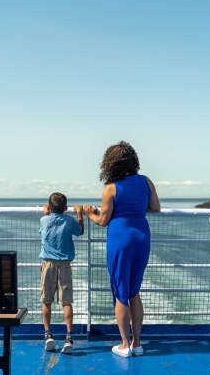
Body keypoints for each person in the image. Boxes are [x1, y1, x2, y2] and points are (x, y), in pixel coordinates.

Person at [84, 141, 160, 358]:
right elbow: (155, 207)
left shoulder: (111, 188)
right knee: (135, 291)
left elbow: (103, 220)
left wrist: (90, 213)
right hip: (142, 237)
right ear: (133, 160)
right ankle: (137, 343)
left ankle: (125, 345)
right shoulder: (146, 181)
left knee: (121, 292)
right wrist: (136, 207)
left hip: (120, 240)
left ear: (110, 164)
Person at [39, 192, 84, 354]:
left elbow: (44, 229)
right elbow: (80, 232)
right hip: (64, 265)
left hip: (48, 265)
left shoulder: (44, 219)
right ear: (66, 208)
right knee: (66, 302)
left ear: (49, 207)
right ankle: (69, 338)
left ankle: (47, 335)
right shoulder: (69, 220)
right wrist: (79, 213)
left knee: (46, 301)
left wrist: (46, 214)